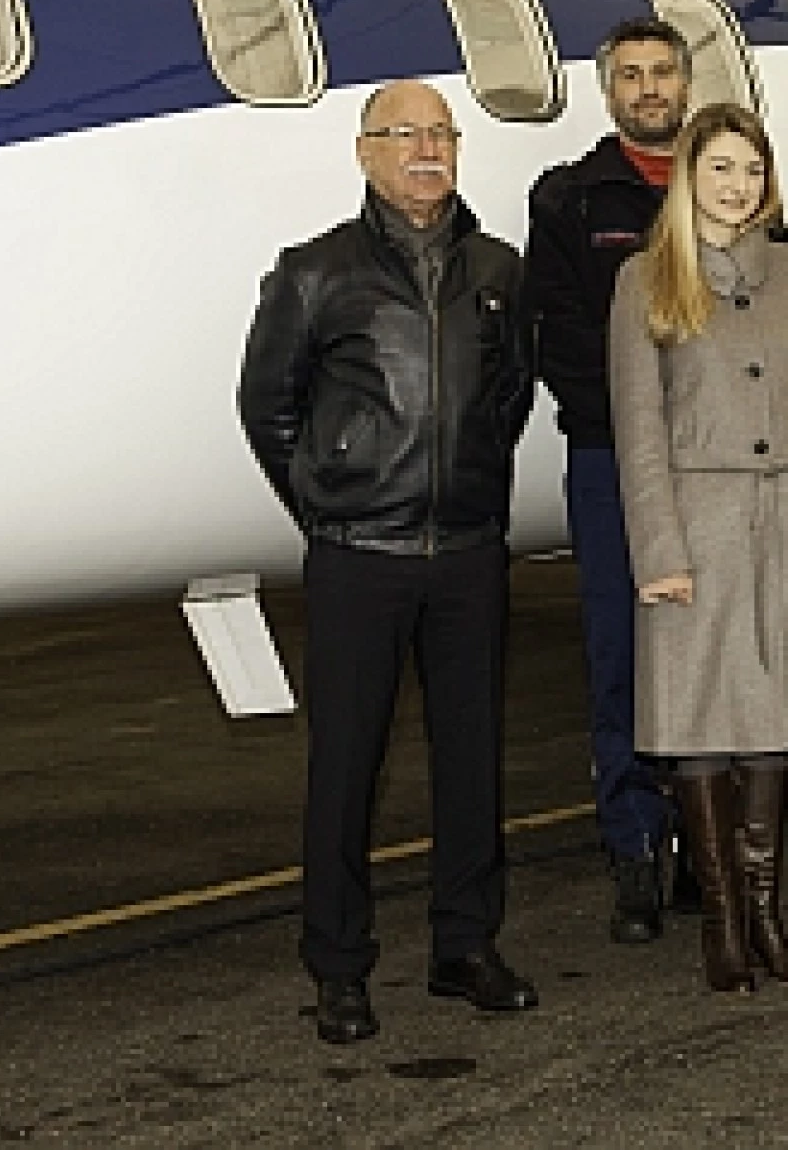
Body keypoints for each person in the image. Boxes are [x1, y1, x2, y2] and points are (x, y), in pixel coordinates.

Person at [238, 80, 538, 1044]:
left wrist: (468, 493)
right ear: (364, 153)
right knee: (345, 767)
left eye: (441, 134)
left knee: (471, 760)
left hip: (465, 557)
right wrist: (330, 499)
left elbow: (509, 396)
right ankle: (337, 967)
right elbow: (267, 406)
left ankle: (465, 946)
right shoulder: (313, 274)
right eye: (403, 134)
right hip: (357, 559)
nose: (426, 150)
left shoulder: (499, 268)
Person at [608, 102, 788, 993]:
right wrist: (659, 550)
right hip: (696, 527)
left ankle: (767, 916)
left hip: (786, 523)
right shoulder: (647, 278)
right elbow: (638, 432)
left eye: (751, 169)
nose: (737, 184)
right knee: (701, 733)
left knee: (772, 730)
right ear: (689, 175)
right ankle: (721, 924)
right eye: (720, 167)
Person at [524, 19, 696, 944]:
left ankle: (707, 843)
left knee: (710, 655)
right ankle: (637, 848)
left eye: (662, 72)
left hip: (717, 465)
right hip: (612, 462)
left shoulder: (731, 190)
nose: (648, 89)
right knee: (619, 660)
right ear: (608, 91)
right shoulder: (568, 201)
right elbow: (561, 340)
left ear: (685, 81)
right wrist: (645, 427)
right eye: (629, 75)